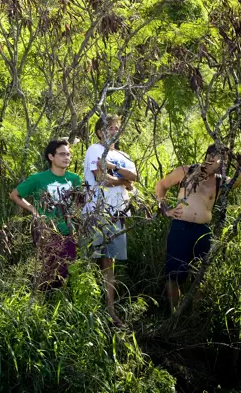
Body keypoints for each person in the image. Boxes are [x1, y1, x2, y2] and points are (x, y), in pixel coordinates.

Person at [154, 144, 241, 312]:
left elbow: (237, 181)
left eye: (221, 160)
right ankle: (175, 315)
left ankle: (194, 317)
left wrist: (240, 164)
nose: (217, 162)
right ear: (208, 156)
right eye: (215, 158)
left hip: (202, 232)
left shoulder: (219, 180)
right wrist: (166, 209)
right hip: (180, 228)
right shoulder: (186, 171)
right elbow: (161, 186)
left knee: (199, 276)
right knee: (173, 275)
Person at [83, 115, 137, 326]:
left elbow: (134, 176)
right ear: (100, 132)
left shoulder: (123, 154)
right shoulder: (95, 149)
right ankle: (86, 309)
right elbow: (101, 178)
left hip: (119, 214)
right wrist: (123, 180)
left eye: (117, 128)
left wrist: (114, 169)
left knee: (109, 263)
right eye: (110, 128)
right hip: (97, 212)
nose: (115, 131)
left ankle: (110, 311)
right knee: (91, 259)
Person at [9, 139, 82, 290]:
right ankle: (44, 306)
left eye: (68, 154)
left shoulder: (74, 179)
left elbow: (79, 202)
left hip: (68, 232)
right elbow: (14, 195)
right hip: (47, 232)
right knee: (47, 274)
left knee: (68, 272)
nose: (66, 157)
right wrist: (34, 210)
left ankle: (62, 305)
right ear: (51, 157)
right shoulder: (38, 179)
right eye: (62, 154)